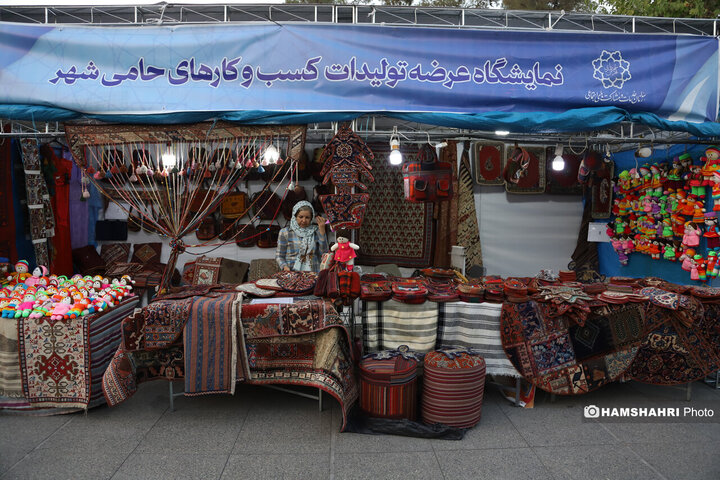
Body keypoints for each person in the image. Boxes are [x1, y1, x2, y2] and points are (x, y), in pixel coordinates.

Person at [275, 200, 328, 272]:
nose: (304, 220)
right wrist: (285, 267)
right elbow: (279, 256)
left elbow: (324, 254)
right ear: (295, 216)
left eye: (307, 217)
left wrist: (322, 231)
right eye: (301, 217)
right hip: (292, 274)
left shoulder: (316, 231)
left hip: (313, 275)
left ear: (311, 218)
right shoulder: (285, 232)